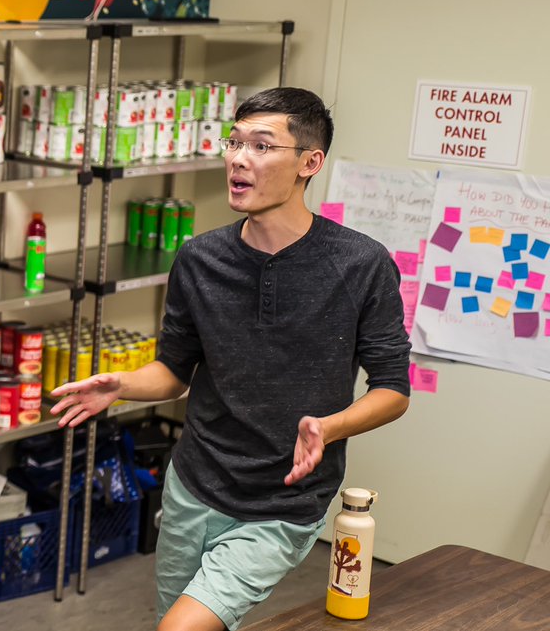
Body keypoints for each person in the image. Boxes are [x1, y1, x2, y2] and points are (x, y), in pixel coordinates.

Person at [51, 87, 411, 631]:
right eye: (234, 141)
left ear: (309, 163)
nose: (238, 158)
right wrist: (122, 385)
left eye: (262, 146)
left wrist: (330, 428)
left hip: (283, 501)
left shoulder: (362, 264)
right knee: (175, 620)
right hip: (194, 484)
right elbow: (174, 373)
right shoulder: (199, 259)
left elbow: (393, 390)